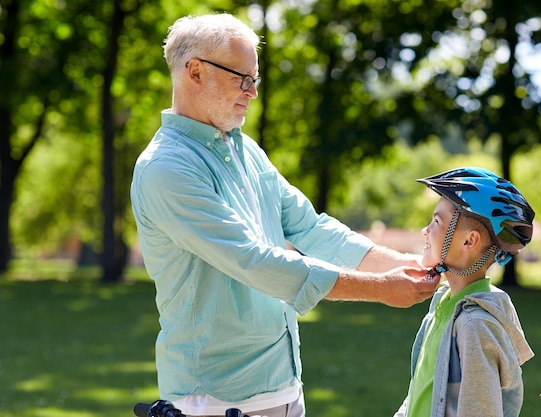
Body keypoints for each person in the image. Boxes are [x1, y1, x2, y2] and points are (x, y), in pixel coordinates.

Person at [130, 13, 440, 417]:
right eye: (242, 78)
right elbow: (254, 261)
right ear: (195, 72)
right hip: (214, 398)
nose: (252, 92)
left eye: (254, 80)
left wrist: (409, 265)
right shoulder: (166, 168)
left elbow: (312, 228)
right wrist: (381, 288)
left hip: (284, 386)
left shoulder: (246, 150)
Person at [393, 167, 536, 417]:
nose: (425, 230)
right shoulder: (445, 304)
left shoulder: (475, 326)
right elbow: (423, 389)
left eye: (436, 221)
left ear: (469, 241)